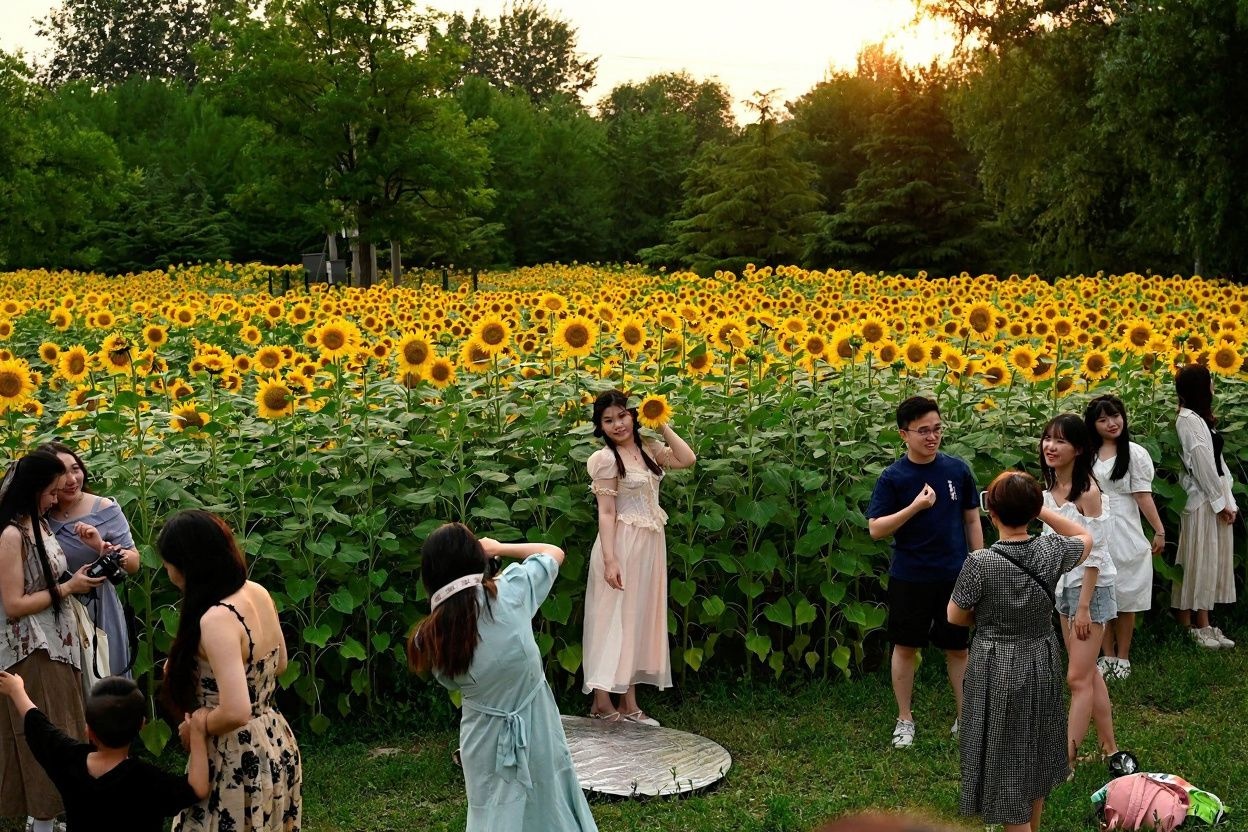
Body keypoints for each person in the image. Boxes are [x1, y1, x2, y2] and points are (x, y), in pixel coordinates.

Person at [407, 522, 597, 832]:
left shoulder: (430, 636)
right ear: (477, 558)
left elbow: (450, 681)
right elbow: (553, 552)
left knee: (491, 816)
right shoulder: (511, 590)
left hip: (482, 738)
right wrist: (499, 548)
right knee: (549, 804)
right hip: (537, 725)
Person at [948, 471, 1093, 832]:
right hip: (1041, 657)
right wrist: (1041, 510)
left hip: (993, 663)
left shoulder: (980, 563)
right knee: (1036, 747)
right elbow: (1084, 536)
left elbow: (955, 616)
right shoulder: (1051, 550)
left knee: (1005, 753)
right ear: (1032, 510)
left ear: (990, 512)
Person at [158, 509, 301, 832]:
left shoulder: (217, 619)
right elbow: (279, 665)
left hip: (234, 754)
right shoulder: (256, 591)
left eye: (167, 562)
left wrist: (197, 726)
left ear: (186, 565)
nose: (166, 570)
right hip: (274, 738)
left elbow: (236, 711)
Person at [867, 396, 982, 749]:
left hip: (954, 573)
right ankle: (905, 718)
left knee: (958, 649)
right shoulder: (894, 477)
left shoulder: (957, 469)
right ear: (904, 434)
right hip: (911, 575)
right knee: (904, 646)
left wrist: (978, 563)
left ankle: (966, 719)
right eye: (923, 431)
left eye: (937, 429)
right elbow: (876, 529)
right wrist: (914, 507)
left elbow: (971, 517)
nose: (932, 437)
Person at [0, 450, 106, 832]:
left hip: (57, 639)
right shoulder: (12, 534)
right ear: (32, 489)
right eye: (50, 492)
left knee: (62, 723)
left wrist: (77, 577)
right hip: (31, 645)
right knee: (44, 728)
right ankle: (42, 820)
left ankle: (46, 815)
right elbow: (13, 604)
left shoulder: (39, 524)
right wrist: (68, 588)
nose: (55, 500)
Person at [582, 390, 695, 725]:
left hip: (649, 546)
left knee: (635, 619)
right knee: (611, 619)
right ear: (600, 427)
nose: (617, 424)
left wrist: (661, 424)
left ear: (633, 415)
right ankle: (603, 701)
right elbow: (605, 512)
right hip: (619, 544)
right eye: (608, 420)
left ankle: (629, 703)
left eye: (622, 416)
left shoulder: (648, 449)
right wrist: (610, 559)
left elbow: (687, 458)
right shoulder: (604, 460)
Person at [0, 671, 209, 832]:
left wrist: (17, 690)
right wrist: (198, 734)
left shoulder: (69, 760)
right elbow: (196, 788)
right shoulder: (147, 780)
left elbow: (39, 727)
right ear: (141, 726)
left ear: (88, 729)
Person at [1039, 414, 1121, 767]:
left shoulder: (1087, 493)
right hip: (1064, 591)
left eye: (1060, 441)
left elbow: (1096, 555)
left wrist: (1085, 606)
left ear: (1080, 449)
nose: (1050, 447)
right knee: (1089, 675)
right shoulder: (1048, 492)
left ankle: (1066, 761)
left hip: (1091, 592)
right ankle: (1110, 749)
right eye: (1047, 439)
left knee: (1076, 679)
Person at [40, 441, 141, 679]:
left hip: (99, 606)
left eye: (75, 469)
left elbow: (134, 562)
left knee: (106, 677)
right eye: (61, 473)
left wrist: (101, 548)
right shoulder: (40, 513)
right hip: (55, 606)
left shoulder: (104, 509)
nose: (72, 479)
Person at [1083, 396, 1165, 678]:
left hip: (1126, 527)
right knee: (1100, 591)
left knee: (1127, 592)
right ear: (1093, 425)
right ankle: (1106, 655)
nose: (1111, 423)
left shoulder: (1135, 453)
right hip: (1095, 524)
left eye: (1115, 416)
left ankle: (1123, 657)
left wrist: (1159, 529)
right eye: (1103, 419)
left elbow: (1143, 496)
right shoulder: (1086, 454)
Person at [1171, 364, 1238, 648]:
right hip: (1200, 500)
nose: (1214, 385)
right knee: (1195, 558)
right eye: (1210, 381)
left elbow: (1218, 464)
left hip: (1215, 497)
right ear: (1201, 386)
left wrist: (1229, 500)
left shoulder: (1202, 419)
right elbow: (1200, 464)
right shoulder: (1187, 419)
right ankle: (1190, 625)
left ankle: (1205, 621)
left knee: (1210, 560)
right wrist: (1218, 501)